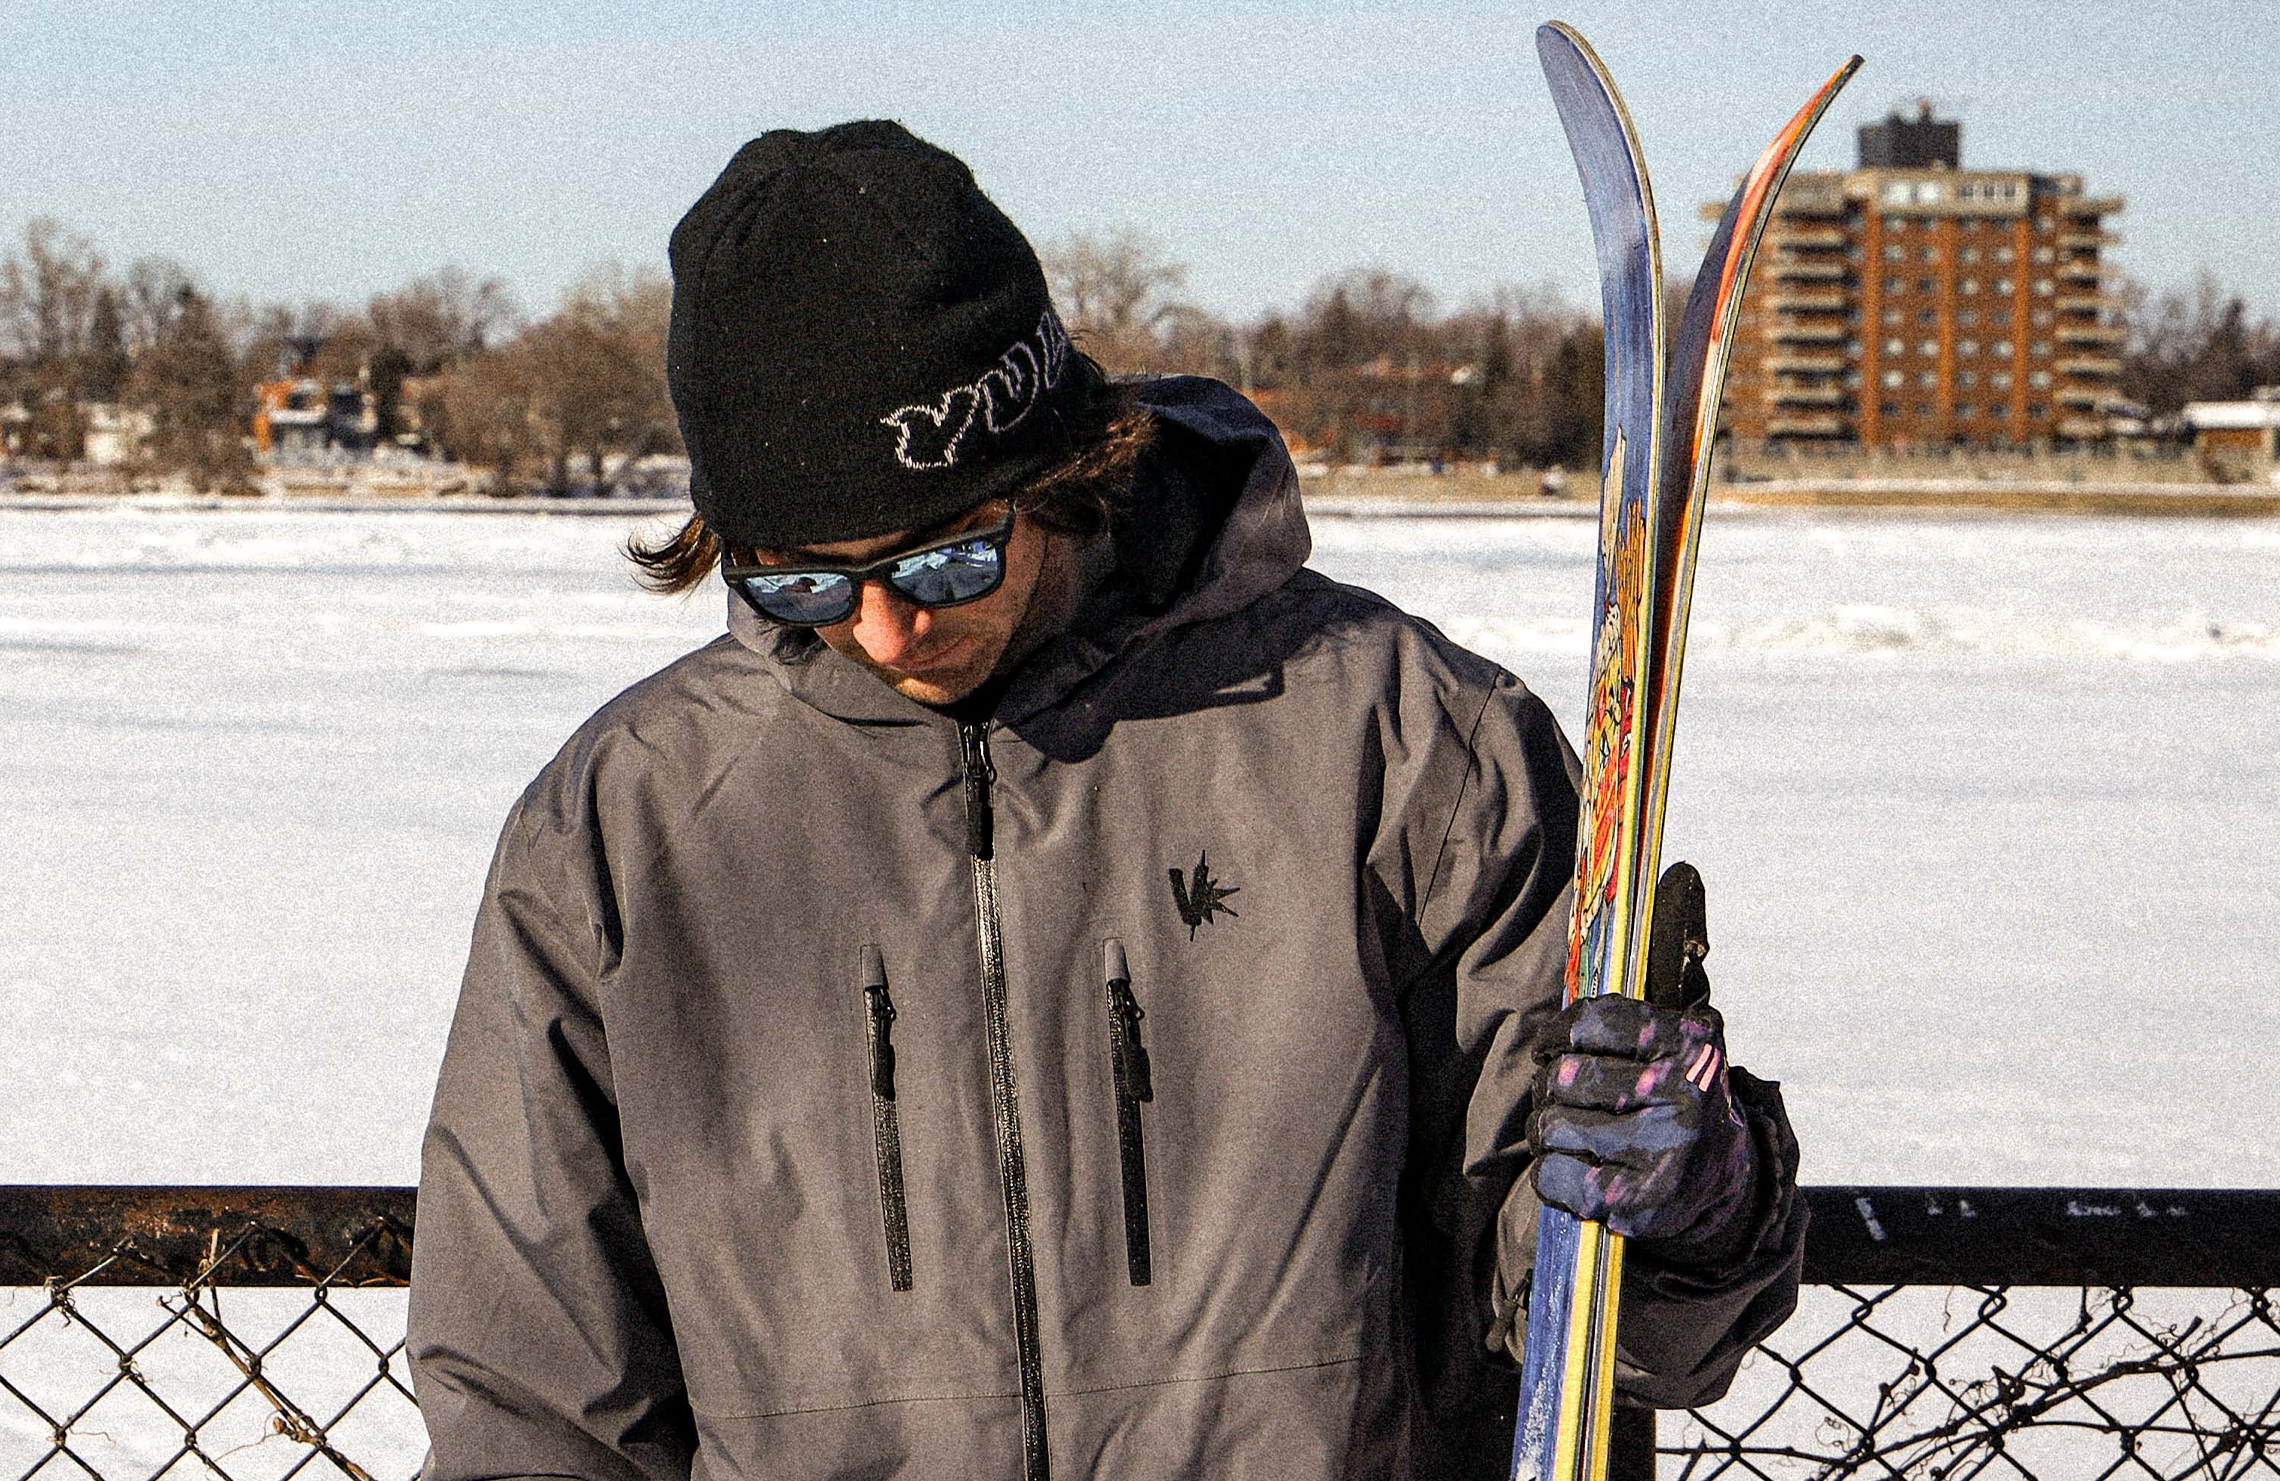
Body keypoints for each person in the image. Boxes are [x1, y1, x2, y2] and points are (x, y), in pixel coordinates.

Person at [407, 120, 1805, 1480]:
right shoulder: (627, 832)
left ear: (1057, 467)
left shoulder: (1403, 742)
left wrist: (1695, 1208)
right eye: (806, 585)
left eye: (948, 559)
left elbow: (1603, 1339)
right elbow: (533, 1396)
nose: (889, 631)